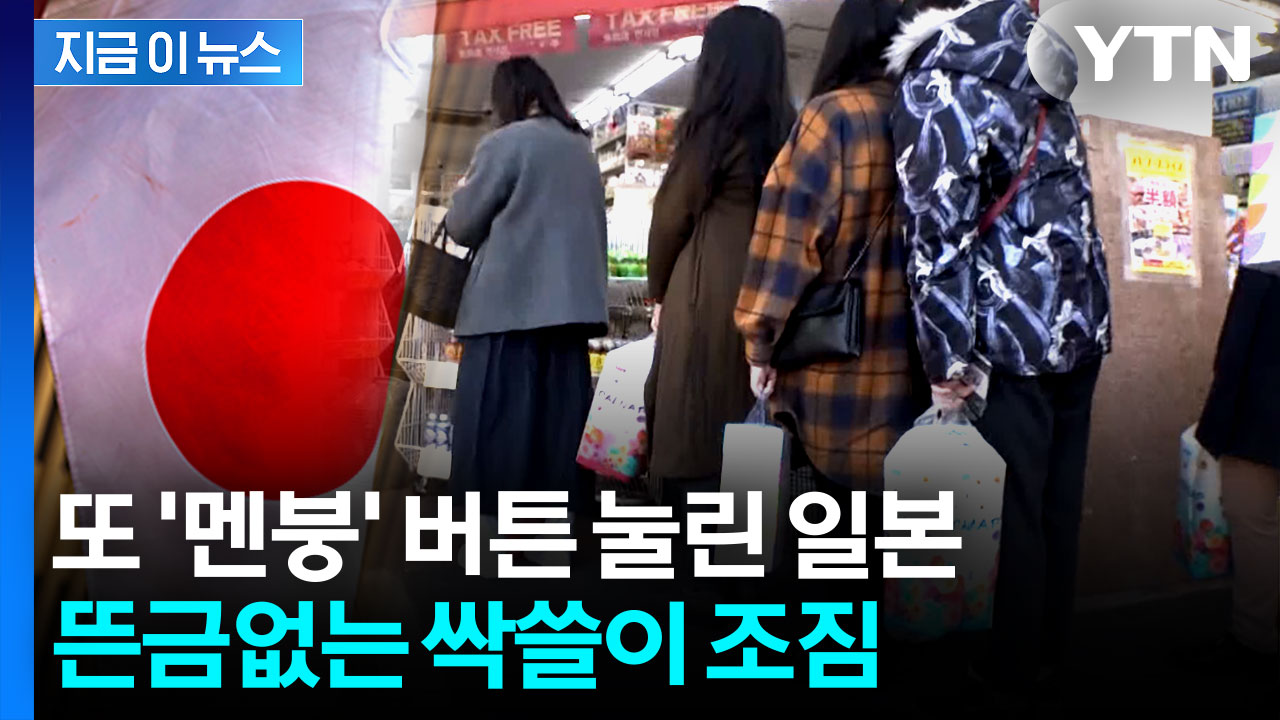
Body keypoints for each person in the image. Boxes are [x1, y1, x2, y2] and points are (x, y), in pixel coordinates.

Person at [887, 0, 1112, 698]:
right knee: (1056, 503)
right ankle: (1047, 651)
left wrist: (946, 357)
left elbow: (937, 236)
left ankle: (1008, 665)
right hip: (1078, 323)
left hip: (1006, 333)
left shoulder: (941, 81)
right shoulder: (1044, 67)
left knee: (1011, 513)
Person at [734, 0, 926, 584]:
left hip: (836, 391)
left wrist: (759, 345)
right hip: (922, 390)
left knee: (829, 556)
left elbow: (785, 244)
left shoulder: (834, 117)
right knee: (901, 569)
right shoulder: (935, 117)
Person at [644, 4, 796, 566]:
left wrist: (658, 292)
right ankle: (745, 562)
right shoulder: (793, 132)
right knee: (751, 436)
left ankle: (696, 570)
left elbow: (670, 220)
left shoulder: (709, 134)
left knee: (696, 431)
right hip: (774, 297)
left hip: (706, 297)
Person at [444, 57, 608, 562]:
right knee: (556, 437)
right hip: (569, 321)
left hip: (504, 315)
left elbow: (462, 226)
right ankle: (548, 548)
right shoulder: (582, 150)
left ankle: (487, 550)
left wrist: (459, 194)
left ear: (509, 97)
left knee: (492, 434)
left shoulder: (506, 143)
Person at [1196, 260, 1280, 682]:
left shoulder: (1265, 266)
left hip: (1259, 419)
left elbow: (1233, 355)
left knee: (1253, 522)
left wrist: (1217, 426)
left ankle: (1254, 637)